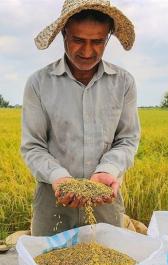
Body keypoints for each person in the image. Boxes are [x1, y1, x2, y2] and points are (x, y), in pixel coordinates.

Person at [20, 0, 140, 236]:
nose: (87, 51)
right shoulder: (39, 83)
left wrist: (108, 169)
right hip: (52, 204)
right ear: (64, 34)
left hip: (105, 202)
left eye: (97, 42)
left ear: (108, 39)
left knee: (108, 264)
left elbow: (127, 139)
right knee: (49, 264)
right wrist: (59, 178)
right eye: (78, 40)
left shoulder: (123, 83)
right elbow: (33, 146)